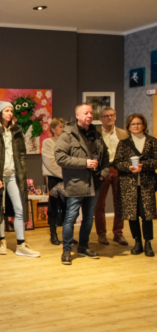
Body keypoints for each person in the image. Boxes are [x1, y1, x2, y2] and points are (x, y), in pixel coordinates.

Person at [55, 103, 109, 265]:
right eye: (86, 113)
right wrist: (84, 163)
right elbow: (60, 158)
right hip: (76, 183)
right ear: (77, 115)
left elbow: (105, 157)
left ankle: (83, 247)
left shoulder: (96, 134)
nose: (90, 115)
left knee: (88, 219)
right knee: (70, 218)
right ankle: (66, 250)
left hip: (95, 183)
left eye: (91, 113)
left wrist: (103, 174)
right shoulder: (68, 134)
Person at [0, 101, 41, 257]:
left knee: (19, 208)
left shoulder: (17, 130)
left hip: (13, 176)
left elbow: (22, 153)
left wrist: (22, 170)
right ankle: (2, 241)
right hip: (0, 176)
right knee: (0, 209)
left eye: (11, 111)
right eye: (7, 110)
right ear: (0, 113)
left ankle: (21, 244)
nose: (10, 113)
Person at [113, 113, 157, 257]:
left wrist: (144, 166)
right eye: (133, 124)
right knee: (132, 214)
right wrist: (129, 167)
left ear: (144, 125)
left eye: (139, 123)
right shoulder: (123, 143)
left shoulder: (152, 141)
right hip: (128, 185)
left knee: (146, 215)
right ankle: (137, 242)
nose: (136, 126)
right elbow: (117, 162)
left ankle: (148, 243)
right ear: (128, 126)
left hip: (147, 184)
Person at [95, 107, 129, 246]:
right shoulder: (96, 134)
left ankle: (118, 233)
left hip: (119, 169)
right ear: (101, 119)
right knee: (99, 204)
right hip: (102, 169)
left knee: (120, 203)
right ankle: (101, 234)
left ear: (115, 117)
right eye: (106, 116)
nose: (109, 118)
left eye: (111, 115)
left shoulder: (123, 133)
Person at [42, 118, 66, 245]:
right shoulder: (48, 142)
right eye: (60, 127)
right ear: (53, 129)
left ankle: (67, 235)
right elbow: (50, 162)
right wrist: (64, 173)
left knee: (67, 206)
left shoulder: (68, 142)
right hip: (54, 177)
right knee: (54, 206)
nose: (63, 129)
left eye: (63, 126)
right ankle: (53, 234)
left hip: (67, 177)